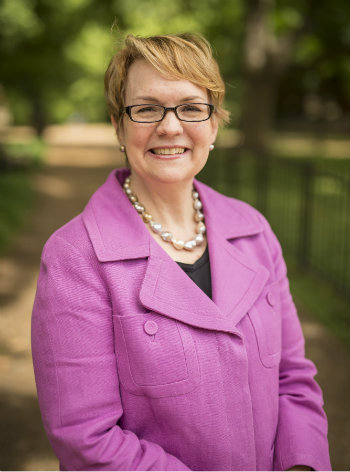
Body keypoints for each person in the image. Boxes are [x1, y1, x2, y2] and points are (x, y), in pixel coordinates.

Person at [31, 33, 331, 471]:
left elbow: (294, 380)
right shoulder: (74, 258)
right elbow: (87, 438)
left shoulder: (255, 232)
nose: (170, 126)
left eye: (191, 107)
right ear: (118, 124)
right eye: (147, 108)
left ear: (213, 124)